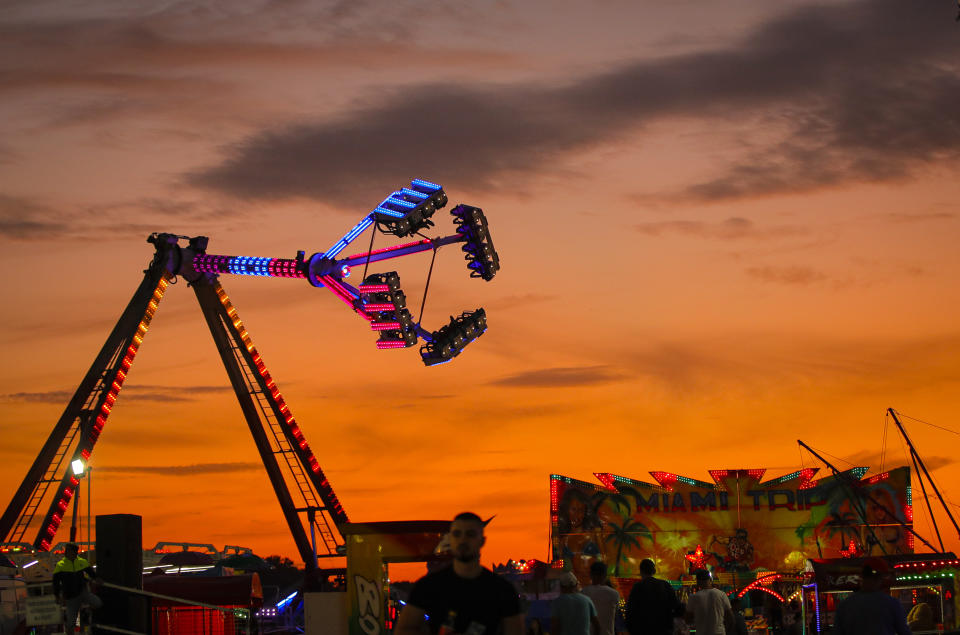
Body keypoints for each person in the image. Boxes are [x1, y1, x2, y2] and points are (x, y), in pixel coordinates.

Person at [396, 512, 523, 635]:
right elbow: (404, 629)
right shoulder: (427, 587)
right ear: (451, 539)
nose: (463, 540)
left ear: (482, 541)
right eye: (457, 534)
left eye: (470, 534)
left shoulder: (502, 590)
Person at [834, 560, 911, 635]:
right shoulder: (892, 604)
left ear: (862, 576)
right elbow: (904, 631)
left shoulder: (844, 605)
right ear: (881, 578)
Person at [53, 543, 102, 631]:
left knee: (98, 603)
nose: (65, 553)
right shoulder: (60, 565)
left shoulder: (82, 562)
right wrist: (57, 595)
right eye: (66, 551)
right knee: (70, 624)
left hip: (83, 592)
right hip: (71, 597)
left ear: (73, 552)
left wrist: (96, 578)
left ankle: (86, 612)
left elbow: (90, 572)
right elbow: (55, 582)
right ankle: (85, 614)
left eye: (68, 551)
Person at [625, 558, 679, 635]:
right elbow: (675, 606)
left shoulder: (638, 587)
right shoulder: (665, 585)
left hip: (643, 630)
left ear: (641, 571)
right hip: (663, 630)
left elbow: (630, 611)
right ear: (654, 571)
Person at [685, 570, 733, 635]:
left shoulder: (693, 597)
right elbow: (730, 617)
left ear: (697, 582)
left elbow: (688, 620)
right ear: (710, 580)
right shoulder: (721, 594)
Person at [581, 561, 620, 635]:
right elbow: (616, 614)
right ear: (605, 575)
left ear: (591, 575)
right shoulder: (614, 594)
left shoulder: (584, 592)